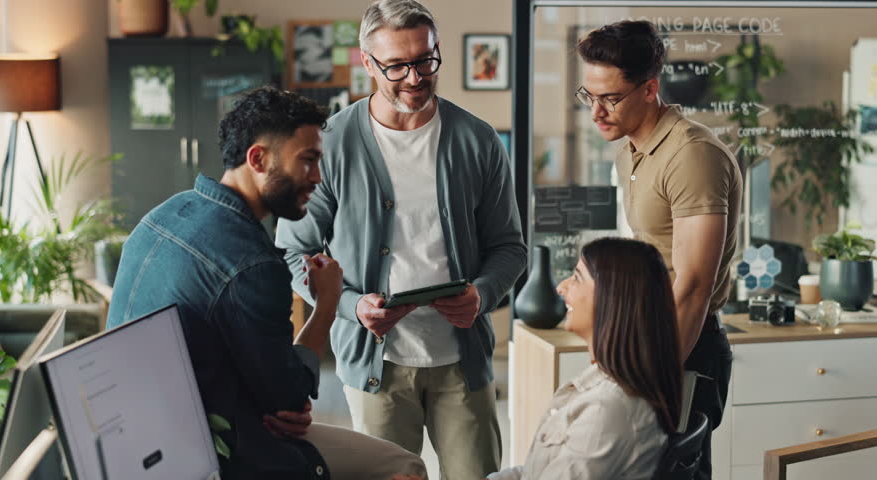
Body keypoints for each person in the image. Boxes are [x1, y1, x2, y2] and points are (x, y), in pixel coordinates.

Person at [106, 86, 426, 480]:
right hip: (222, 452)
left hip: (138, 445)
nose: (317, 178)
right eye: (307, 161)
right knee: (407, 465)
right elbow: (289, 397)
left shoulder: (159, 216)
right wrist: (326, 304)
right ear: (257, 158)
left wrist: (273, 401)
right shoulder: (255, 264)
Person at [274, 1, 527, 478]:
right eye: (397, 66)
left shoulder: (478, 140)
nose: (415, 77)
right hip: (377, 365)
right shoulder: (331, 144)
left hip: (463, 360)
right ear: (368, 62)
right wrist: (351, 307)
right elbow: (293, 251)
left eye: (426, 60)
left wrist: (484, 294)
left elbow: (510, 247)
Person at [575, 20, 742, 479]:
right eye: (588, 96)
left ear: (650, 89)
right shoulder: (629, 149)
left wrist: (652, 381)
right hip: (647, 340)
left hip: (683, 348)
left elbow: (691, 286)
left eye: (610, 98)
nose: (596, 112)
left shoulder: (691, 154)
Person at [488, 237, 684, 480]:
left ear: (612, 298)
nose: (561, 287)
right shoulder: (606, 382)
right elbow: (535, 473)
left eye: (577, 278)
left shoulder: (609, 411)